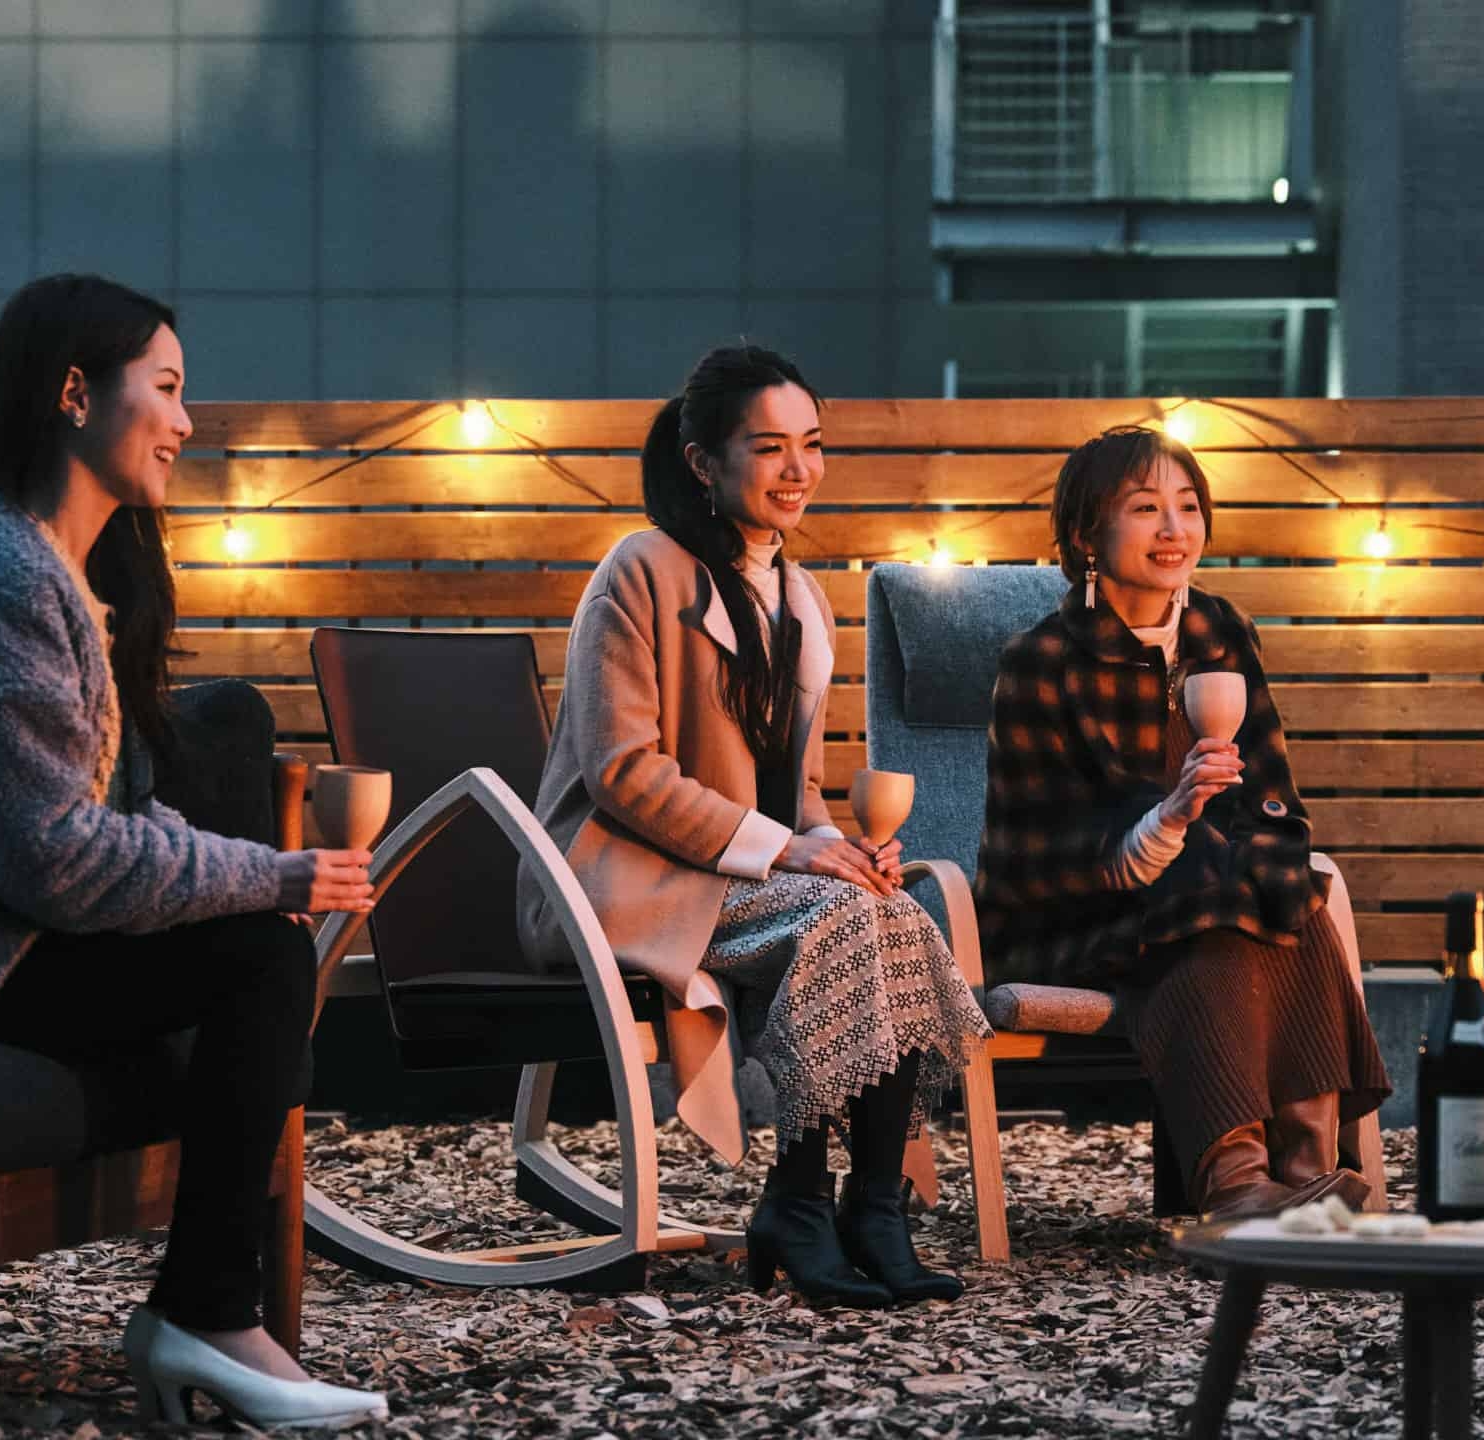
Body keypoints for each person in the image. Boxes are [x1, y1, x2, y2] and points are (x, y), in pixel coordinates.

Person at [0, 275, 388, 1428]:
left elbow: (115, 820)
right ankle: (206, 1316)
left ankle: (209, 1313)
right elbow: (51, 858)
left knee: (255, 942)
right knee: (258, 955)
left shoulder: (65, 577)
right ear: (73, 392)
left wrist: (259, 876)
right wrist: (274, 874)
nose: (187, 422)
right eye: (166, 388)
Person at [518, 345, 990, 1308]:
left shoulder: (800, 597)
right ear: (703, 461)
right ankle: (802, 1202)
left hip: (737, 876)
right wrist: (793, 850)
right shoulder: (640, 570)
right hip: (618, 878)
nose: (798, 469)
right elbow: (623, 771)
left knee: (888, 908)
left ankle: (869, 1206)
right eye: (770, 447)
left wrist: (839, 848)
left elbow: (793, 793)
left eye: (811, 444)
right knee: (842, 916)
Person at [974, 425, 1388, 1221]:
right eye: (1144, 508)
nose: (1174, 529)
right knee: (1214, 897)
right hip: (1071, 920)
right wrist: (1169, 820)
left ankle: (1302, 1173)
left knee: (1287, 893)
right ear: (1086, 535)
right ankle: (1239, 1183)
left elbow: (1273, 798)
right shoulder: (1042, 660)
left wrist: (1265, 865)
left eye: (1188, 506)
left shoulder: (1221, 633)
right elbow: (1040, 856)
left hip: (1204, 902)